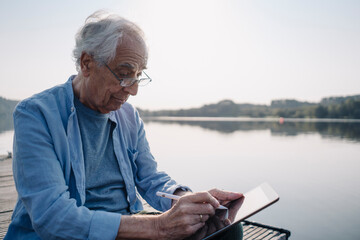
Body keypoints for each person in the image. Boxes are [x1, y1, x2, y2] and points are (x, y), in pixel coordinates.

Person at [5, 11, 243, 240]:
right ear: (86, 63)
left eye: (138, 76)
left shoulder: (128, 115)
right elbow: (53, 217)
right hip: (63, 235)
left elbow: (151, 178)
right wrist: (159, 227)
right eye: (124, 74)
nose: (133, 90)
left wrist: (188, 200)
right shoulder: (36, 114)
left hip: (128, 226)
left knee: (223, 229)